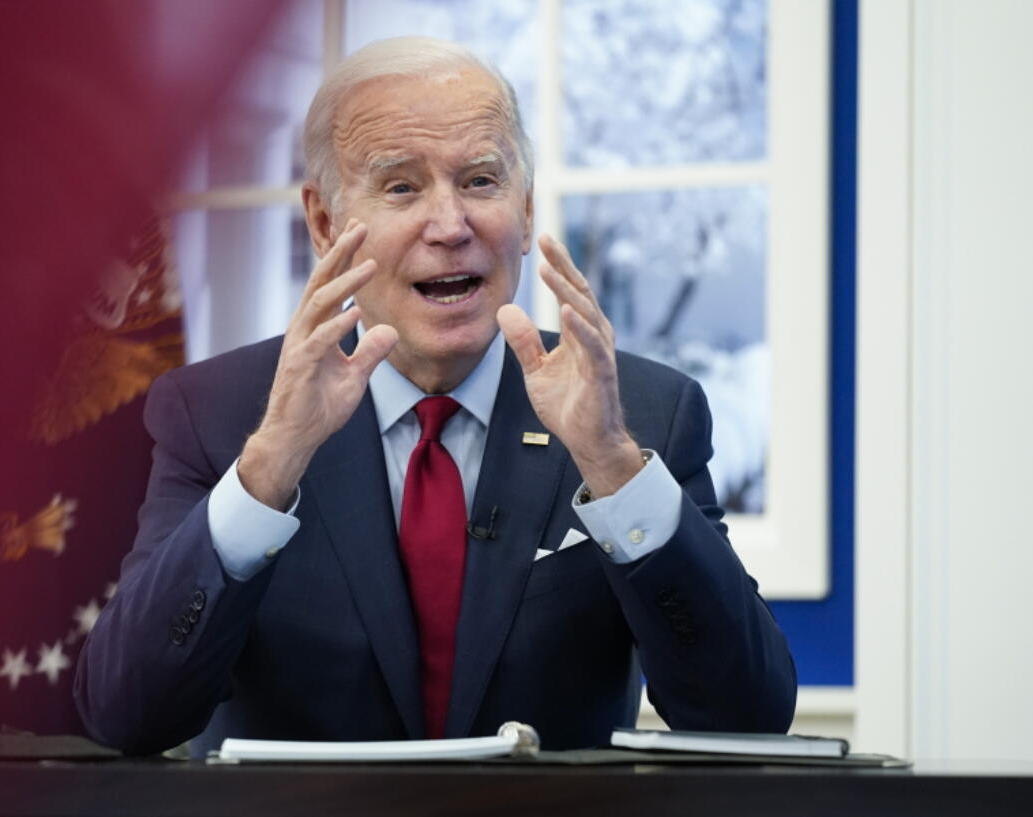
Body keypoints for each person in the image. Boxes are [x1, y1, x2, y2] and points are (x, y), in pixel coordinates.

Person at [74, 37, 796, 755]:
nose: (451, 226)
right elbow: (126, 712)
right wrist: (268, 467)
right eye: (402, 187)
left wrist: (612, 465)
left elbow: (746, 714)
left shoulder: (642, 413)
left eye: (481, 181)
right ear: (325, 223)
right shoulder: (217, 412)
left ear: (525, 209)